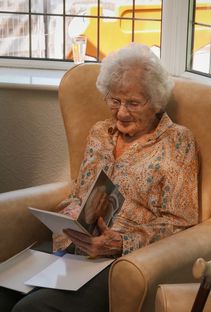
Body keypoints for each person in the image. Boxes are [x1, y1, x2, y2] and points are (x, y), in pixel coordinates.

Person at [0, 43, 199, 312]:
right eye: (114, 100)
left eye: (133, 103)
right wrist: (70, 220)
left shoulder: (177, 141)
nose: (122, 112)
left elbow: (181, 223)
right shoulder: (99, 133)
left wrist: (121, 243)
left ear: (156, 102)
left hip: (121, 263)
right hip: (72, 248)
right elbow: (78, 194)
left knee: (31, 310)